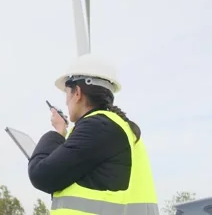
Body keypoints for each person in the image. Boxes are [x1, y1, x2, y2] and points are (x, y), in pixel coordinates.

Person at [28, 54, 159, 215]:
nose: (66, 102)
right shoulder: (112, 127)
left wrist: (57, 133)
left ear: (77, 93)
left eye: (67, 94)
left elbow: (41, 175)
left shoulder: (97, 127)